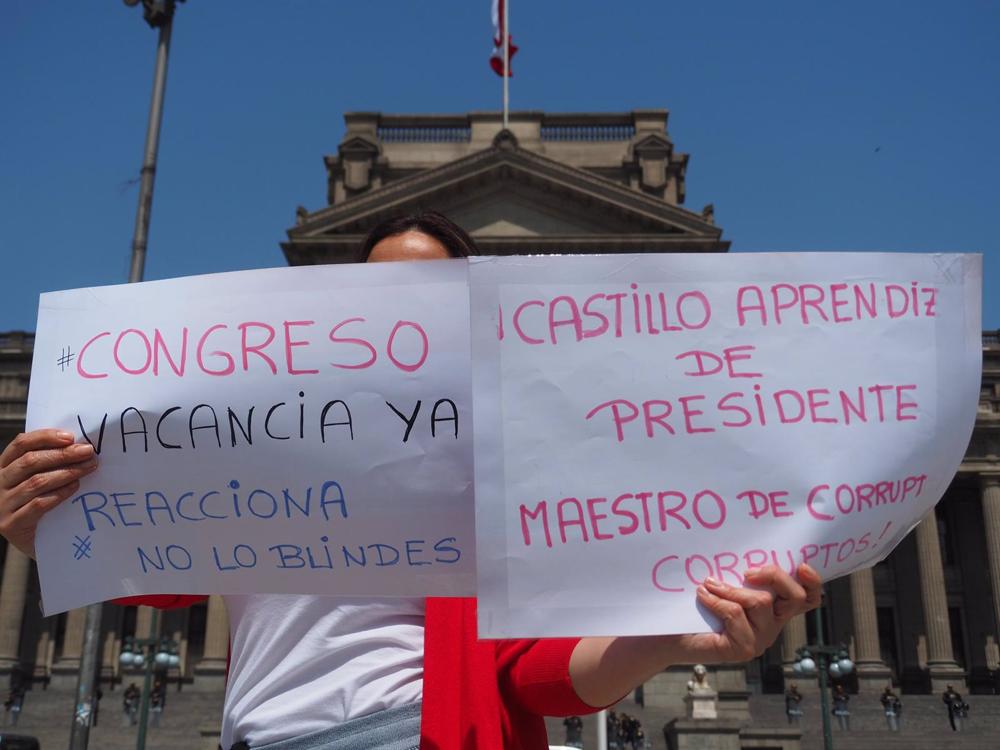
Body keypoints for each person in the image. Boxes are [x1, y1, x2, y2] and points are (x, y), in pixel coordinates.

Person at [0, 211, 823, 750]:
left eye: (432, 294)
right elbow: (153, 561)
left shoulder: (506, 460)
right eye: (375, 288)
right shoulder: (249, 432)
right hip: (256, 736)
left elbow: (531, 674)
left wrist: (674, 640)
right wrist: (51, 527)